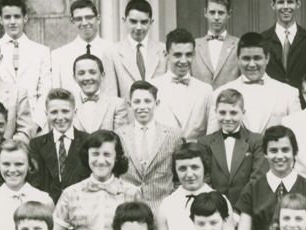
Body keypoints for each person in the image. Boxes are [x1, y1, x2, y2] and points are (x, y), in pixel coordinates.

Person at [49, 130, 143, 230]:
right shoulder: (71, 193)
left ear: (116, 157)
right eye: (95, 154)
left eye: (107, 154)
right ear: (87, 156)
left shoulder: (132, 193)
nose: (100, 160)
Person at [236, 125, 306, 230]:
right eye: (273, 151)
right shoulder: (252, 189)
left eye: (285, 150)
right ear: (265, 153)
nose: (280, 156)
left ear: (295, 152)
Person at [154, 142, 236, 230]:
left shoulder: (222, 201)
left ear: (204, 167)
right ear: (175, 171)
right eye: (182, 169)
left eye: (195, 167)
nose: (189, 174)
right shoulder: (167, 205)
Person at [207, 33, 298, 135]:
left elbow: (297, 138)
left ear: (267, 58)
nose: (252, 64)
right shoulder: (219, 93)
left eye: (257, 58)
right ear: (238, 59)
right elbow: (212, 140)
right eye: (246, 58)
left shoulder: (289, 93)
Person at [116, 80, 184, 210]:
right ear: (130, 105)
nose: (142, 106)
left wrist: (172, 204)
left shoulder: (174, 135)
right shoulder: (119, 135)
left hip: (163, 209)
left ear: (156, 103)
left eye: (147, 101)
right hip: (128, 209)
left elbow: (178, 178)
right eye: (137, 102)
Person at [199, 88, 266, 208]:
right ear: (216, 112)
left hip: (248, 208)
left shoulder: (256, 141)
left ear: (243, 113)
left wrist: (239, 211)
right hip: (214, 209)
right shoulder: (205, 143)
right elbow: (206, 179)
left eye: (233, 113)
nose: (228, 118)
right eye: (222, 112)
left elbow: (257, 179)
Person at [0, 0, 52, 132]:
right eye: (7, 17)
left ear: (25, 18)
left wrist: (37, 123)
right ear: (0, 20)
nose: (12, 22)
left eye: (17, 16)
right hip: (0, 122)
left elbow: (46, 90)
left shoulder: (41, 51)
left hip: (33, 122)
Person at [152, 28, 216, 142]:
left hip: (195, 157)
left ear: (194, 54)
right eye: (177, 55)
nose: (183, 61)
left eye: (188, 55)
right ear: (166, 54)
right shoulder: (153, 87)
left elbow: (211, 134)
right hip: (163, 157)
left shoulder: (206, 90)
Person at [28, 90, 91, 203]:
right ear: (46, 114)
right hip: (48, 207)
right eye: (54, 112)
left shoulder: (88, 141)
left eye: (65, 111)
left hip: (81, 205)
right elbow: (35, 182)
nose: (60, 117)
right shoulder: (36, 144)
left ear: (75, 112)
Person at [50, 0, 119, 98]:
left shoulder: (114, 50)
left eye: (89, 17)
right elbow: (57, 95)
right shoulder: (59, 56)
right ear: (72, 21)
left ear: (98, 19)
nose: (84, 23)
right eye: (78, 19)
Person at [110, 0, 166, 101]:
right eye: (133, 21)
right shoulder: (112, 52)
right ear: (124, 21)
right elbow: (111, 97)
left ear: (151, 22)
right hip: (127, 115)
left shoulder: (163, 50)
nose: (139, 27)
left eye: (144, 22)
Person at [191, 0, 240, 88]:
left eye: (221, 13)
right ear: (205, 13)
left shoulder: (238, 44)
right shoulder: (194, 45)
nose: (216, 17)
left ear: (229, 14)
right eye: (212, 12)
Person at [69, 53, 127, 133]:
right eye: (81, 73)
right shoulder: (68, 104)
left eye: (92, 72)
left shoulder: (116, 104)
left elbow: (121, 139)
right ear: (74, 78)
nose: (87, 78)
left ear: (102, 75)